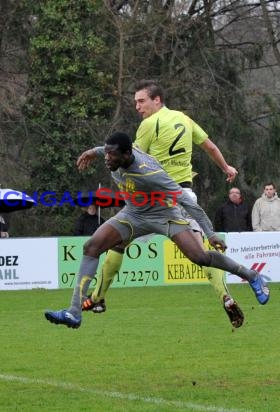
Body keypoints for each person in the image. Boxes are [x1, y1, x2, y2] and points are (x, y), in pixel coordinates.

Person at [44, 133, 269, 329]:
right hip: (133, 214)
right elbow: (106, 149)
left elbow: (188, 203)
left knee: (199, 256)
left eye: (111, 155)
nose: (107, 159)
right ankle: (74, 311)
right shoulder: (114, 155)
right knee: (91, 246)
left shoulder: (151, 173)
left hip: (165, 215)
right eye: (106, 154)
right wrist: (93, 152)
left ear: (126, 154)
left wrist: (210, 234)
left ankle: (251, 275)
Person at [83, 79, 244, 328]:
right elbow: (209, 146)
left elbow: (130, 158)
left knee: (117, 244)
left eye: (141, 101)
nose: (137, 107)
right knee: (201, 252)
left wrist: (100, 155)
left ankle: (99, 297)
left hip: (153, 201)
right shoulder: (184, 119)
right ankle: (225, 296)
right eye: (136, 102)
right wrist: (226, 167)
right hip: (185, 193)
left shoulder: (149, 124)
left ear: (157, 100)